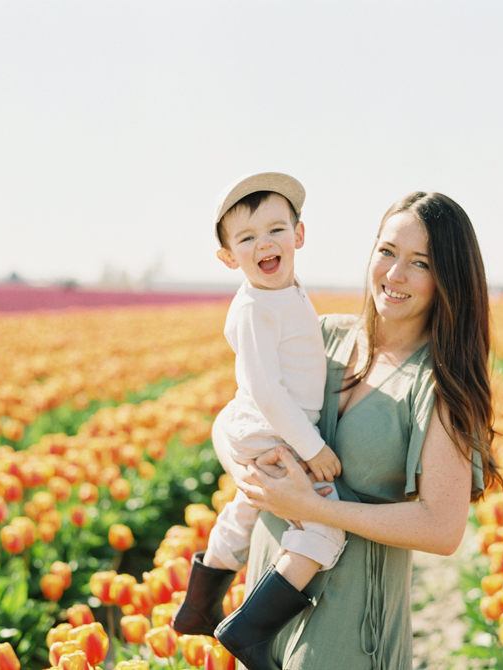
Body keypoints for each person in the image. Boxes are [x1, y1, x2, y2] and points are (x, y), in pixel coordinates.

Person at [220, 191, 503, 670]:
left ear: (448, 279)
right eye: (387, 252)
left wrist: (310, 506)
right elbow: (239, 413)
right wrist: (248, 472)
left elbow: (442, 528)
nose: (395, 275)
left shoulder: (440, 387)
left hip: (350, 632)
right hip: (266, 610)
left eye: (421, 263)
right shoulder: (321, 335)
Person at [172, 172, 347, 669]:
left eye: (275, 230)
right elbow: (266, 389)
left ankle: (199, 605)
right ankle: (250, 629)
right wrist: (310, 448)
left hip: (269, 429)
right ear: (229, 258)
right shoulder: (252, 309)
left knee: (246, 507)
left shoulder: (286, 291)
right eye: (246, 238)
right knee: (325, 527)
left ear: (300, 236)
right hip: (274, 431)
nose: (263, 244)